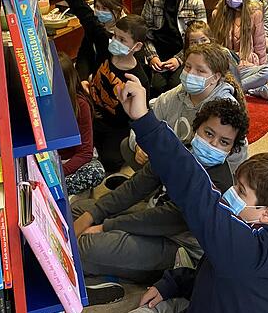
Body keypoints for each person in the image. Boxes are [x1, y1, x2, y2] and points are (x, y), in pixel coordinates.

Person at [79, 72, 268, 313]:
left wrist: (144, 119)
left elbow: (191, 185)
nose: (231, 194)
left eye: (241, 191)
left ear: (267, 214)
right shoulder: (267, 242)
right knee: (157, 309)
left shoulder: (242, 247)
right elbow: (215, 275)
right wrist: (172, 283)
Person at [73, 98, 249, 284]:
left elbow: (163, 219)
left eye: (224, 142)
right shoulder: (181, 153)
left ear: (231, 149)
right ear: (196, 127)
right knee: (81, 209)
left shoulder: (218, 183)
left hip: (178, 246)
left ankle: (123, 272)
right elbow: (136, 187)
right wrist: (94, 214)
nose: (213, 144)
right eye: (208, 133)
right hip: (152, 215)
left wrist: (105, 226)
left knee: (86, 246)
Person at [56, 0, 150, 174]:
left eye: (122, 40)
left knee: (109, 162)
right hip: (91, 109)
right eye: (114, 36)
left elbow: (142, 115)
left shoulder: (138, 79)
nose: (114, 41)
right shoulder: (107, 47)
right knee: (70, 145)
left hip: (114, 126)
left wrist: (141, 143)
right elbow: (87, 17)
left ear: (136, 47)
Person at [121, 42, 248, 174]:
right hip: (173, 159)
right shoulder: (177, 93)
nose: (190, 74)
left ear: (215, 77)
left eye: (200, 70)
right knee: (127, 145)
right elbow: (148, 117)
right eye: (187, 67)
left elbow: (237, 157)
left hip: (200, 172)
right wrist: (139, 146)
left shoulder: (226, 107)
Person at [142, 0, 207, 96]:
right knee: (156, 87)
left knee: (176, 87)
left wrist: (179, 59)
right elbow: (144, 31)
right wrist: (152, 56)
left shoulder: (195, 1)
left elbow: (202, 41)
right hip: (158, 52)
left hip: (185, 53)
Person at [211, 0, 268, 100]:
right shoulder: (217, 14)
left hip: (247, 64)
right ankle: (250, 87)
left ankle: (232, 89)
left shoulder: (255, 14)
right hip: (226, 65)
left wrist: (263, 74)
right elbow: (214, 45)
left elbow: (260, 45)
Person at [57, 53, 105, 196]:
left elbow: (85, 152)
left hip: (70, 161)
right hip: (46, 158)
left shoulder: (80, 105)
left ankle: (56, 190)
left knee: (95, 172)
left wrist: (59, 174)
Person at [75, 0, 126, 80]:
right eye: (97, 7)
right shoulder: (96, 24)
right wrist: (82, 79)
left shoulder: (126, 32)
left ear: (117, 9)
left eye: (104, 9)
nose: (99, 11)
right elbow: (85, 53)